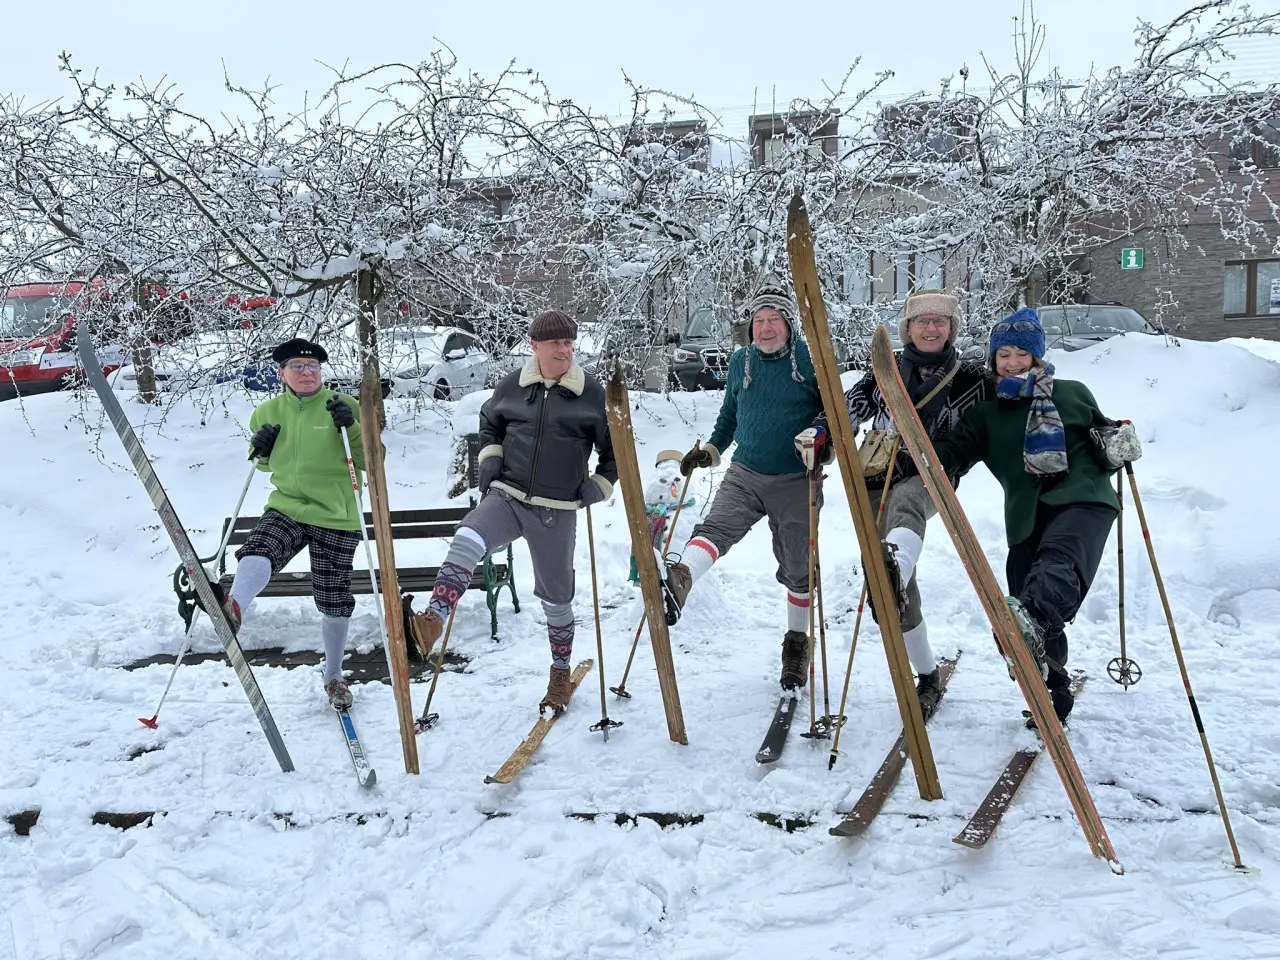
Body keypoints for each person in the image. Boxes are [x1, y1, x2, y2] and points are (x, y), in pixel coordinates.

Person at [405, 310, 617, 714]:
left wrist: (601, 485)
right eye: (555, 343)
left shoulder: (590, 393)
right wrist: (490, 457)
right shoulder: (512, 386)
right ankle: (432, 620)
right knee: (467, 537)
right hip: (508, 495)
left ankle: (559, 671)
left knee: (557, 598)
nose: (564, 349)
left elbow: (615, 450)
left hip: (557, 508)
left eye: (569, 342)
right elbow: (490, 423)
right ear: (534, 346)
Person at [932, 307, 1121, 724]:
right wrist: (905, 451)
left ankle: (1030, 624)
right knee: (1027, 600)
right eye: (1004, 355)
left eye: (1022, 353)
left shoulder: (1072, 393)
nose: (1013, 362)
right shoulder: (986, 416)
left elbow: (1105, 442)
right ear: (993, 360)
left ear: (1037, 357)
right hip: (1026, 515)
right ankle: (1053, 692)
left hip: (1083, 498)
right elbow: (950, 455)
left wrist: (1119, 441)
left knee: (1054, 568)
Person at [831, 289, 991, 719]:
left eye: (941, 321)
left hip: (932, 474)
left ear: (951, 329)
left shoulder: (971, 379)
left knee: (906, 510)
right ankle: (927, 675)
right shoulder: (886, 369)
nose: (932, 328)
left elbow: (1010, 407)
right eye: (923, 321)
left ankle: (892, 573)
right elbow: (847, 411)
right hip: (875, 475)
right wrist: (819, 435)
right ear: (908, 328)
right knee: (901, 591)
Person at [665, 275, 826, 691]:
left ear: (789, 324)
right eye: (759, 320)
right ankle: (681, 579)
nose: (766, 328)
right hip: (746, 472)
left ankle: (796, 644)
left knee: (797, 568)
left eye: (774, 319)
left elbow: (834, 417)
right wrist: (712, 449)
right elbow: (730, 415)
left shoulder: (812, 359)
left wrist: (820, 443)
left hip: (795, 478)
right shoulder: (742, 362)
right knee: (717, 526)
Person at [219, 337, 365, 710]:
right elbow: (263, 464)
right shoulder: (266, 412)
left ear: (321, 372)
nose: (306, 373)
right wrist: (261, 446)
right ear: (281, 373)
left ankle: (333, 677)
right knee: (261, 547)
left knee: (333, 596)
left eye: (313, 367)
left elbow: (370, 459)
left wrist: (354, 430)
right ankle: (233, 608)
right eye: (297, 367)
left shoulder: (343, 406)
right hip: (287, 505)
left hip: (336, 512)